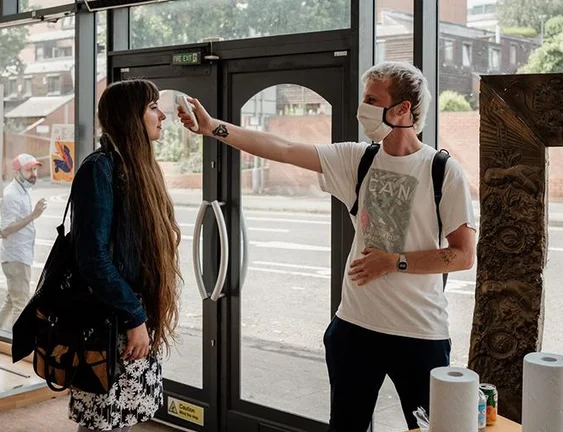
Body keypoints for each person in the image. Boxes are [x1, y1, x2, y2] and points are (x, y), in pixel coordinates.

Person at [179, 61, 477, 430]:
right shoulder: (358, 159)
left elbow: (463, 256)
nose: (362, 107)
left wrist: (394, 262)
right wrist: (214, 129)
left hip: (420, 335)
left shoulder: (442, 171)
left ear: (403, 109)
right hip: (354, 328)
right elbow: (284, 148)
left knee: (434, 428)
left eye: (372, 99)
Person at [68, 79, 181, 432]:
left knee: (117, 419)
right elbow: (92, 257)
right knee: (105, 421)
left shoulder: (134, 166)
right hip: (113, 319)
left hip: (130, 314)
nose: (161, 115)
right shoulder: (100, 168)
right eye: (152, 107)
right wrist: (134, 318)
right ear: (129, 116)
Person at [0, 153, 46, 331]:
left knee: (11, 300)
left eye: (34, 169)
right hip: (16, 257)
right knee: (20, 305)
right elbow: (6, 229)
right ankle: (17, 345)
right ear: (18, 172)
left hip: (17, 256)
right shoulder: (11, 195)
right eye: (28, 170)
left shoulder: (22, 191)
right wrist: (34, 215)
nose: (33, 173)